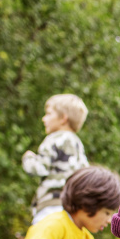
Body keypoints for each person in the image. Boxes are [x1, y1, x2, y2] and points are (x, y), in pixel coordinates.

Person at [22, 94, 90, 223]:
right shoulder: (78, 144)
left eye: (48, 114)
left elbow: (39, 168)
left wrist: (28, 158)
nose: (44, 119)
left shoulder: (55, 139)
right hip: (71, 209)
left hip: (50, 205)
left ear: (63, 118)